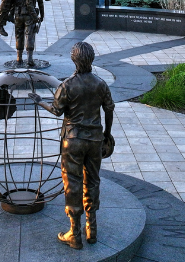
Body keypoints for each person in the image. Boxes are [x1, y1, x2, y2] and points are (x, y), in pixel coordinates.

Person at [29, 41, 114, 250]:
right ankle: (91, 230)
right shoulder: (101, 84)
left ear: (73, 60)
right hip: (94, 140)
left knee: (72, 184)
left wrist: (40, 101)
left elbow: (57, 111)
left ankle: (74, 234)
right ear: (91, 59)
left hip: (72, 141)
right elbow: (109, 110)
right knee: (93, 181)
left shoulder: (67, 85)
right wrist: (107, 135)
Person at [0, 0, 52, 66]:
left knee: (19, 34)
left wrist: (42, 16)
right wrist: (37, 17)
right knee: (29, 35)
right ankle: (29, 59)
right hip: (29, 15)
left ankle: (19, 58)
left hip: (18, 14)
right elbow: (30, 3)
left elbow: (40, 2)